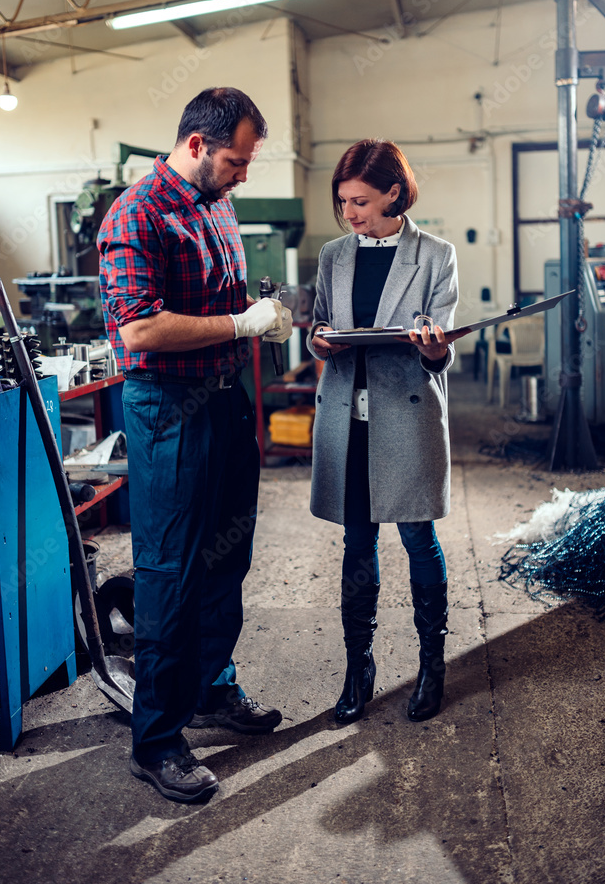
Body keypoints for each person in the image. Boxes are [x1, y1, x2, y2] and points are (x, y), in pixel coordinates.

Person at [98, 87, 292, 803]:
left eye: (247, 164)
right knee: (170, 572)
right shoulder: (135, 213)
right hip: (168, 411)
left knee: (225, 555)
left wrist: (256, 320)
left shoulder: (217, 201)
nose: (243, 175)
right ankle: (155, 740)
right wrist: (242, 325)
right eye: (236, 162)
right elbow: (140, 331)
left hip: (223, 401)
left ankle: (211, 685)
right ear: (195, 146)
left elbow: (220, 298)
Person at [307, 138, 458, 725]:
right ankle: (358, 669)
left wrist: (434, 348)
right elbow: (322, 321)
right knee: (356, 543)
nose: (352, 214)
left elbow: (442, 347)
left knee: (418, 539)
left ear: (395, 192)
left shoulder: (436, 254)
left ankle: (432, 665)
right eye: (344, 203)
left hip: (406, 413)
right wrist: (319, 339)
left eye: (363, 202)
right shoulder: (333, 255)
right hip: (348, 416)